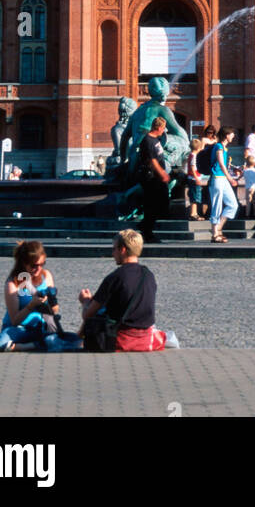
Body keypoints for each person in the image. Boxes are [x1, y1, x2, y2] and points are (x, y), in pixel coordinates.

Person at [0, 240, 81, 353]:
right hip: (19, 329)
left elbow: (55, 310)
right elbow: (15, 320)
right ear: (24, 263)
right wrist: (32, 305)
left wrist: (50, 304)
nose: (39, 268)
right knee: (0, 343)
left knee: (61, 340)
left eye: (42, 264)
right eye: (34, 266)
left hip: (41, 328)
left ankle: (20, 347)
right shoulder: (15, 283)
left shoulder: (46, 276)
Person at [78, 229, 165, 352]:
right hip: (146, 335)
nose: (113, 253)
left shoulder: (115, 277)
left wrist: (85, 302)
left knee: (96, 313)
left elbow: (87, 315)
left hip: (120, 336)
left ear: (122, 250)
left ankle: (78, 338)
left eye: (114, 249)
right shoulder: (148, 275)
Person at [138, 116, 170, 245]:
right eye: (163, 128)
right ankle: (147, 232)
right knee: (152, 204)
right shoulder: (148, 140)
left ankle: (145, 226)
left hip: (157, 177)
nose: (164, 130)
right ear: (158, 127)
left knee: (162, 203)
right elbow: (152, 160)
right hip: (151, 177)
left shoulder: (155, 139)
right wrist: (162, 173)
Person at [209, 126, 240, 242]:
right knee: (217, 205)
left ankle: (217, 229)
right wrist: (231, 179)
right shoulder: (219, 146)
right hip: (217, 178)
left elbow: (224, 166)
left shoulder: (224, 148)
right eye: (232, 134)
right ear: (226, 135)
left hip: (223, 179)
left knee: (233, 204)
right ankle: (214, 234)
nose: (233, 136)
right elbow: (221, 165)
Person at [195, 125, 217, 218]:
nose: (210, 134)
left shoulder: (216, 140)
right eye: (208, 132)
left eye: (211, 133)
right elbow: (201, 150)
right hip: (205, 161)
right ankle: (204, 209)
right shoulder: (204, 140)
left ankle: (209, 210)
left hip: (211, 162)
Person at [186, 136, 208, 220]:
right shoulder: (194, 156)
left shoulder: (191, 155)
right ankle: (193, 214)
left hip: (191, 178)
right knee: (195, 197)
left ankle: (194, 213)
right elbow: (192, 167)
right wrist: (197, 178)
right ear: (198, 148)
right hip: (194, 179)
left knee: (194, 196)